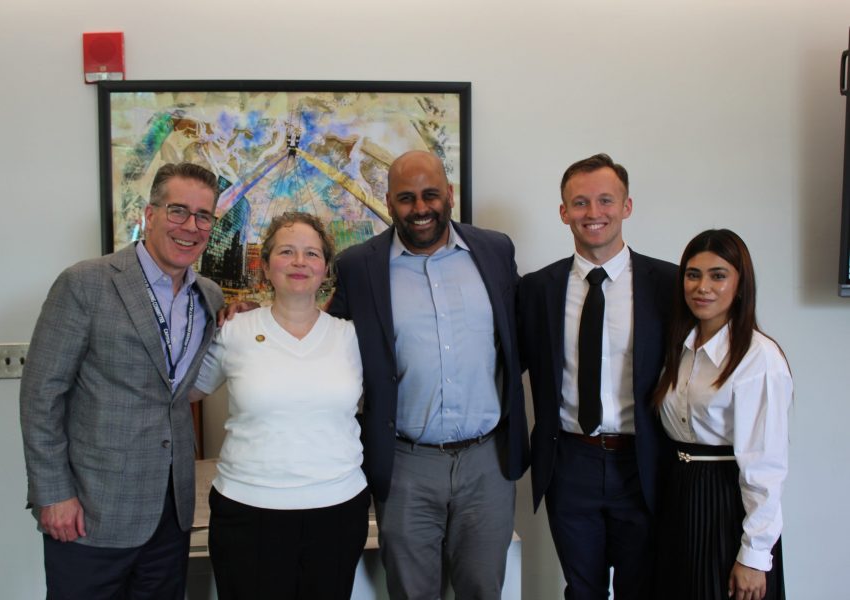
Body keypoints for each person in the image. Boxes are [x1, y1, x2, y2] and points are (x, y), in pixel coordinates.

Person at [328, 150, 529, 599]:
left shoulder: (495, 250)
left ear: (450, 195)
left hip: (487, 463)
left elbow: (520, 341)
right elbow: (325, 344)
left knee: (483, 589)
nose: (420, 208)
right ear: (388, 202)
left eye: (430, 194)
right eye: (406, 198)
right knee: (412, 592)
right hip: (405, 466)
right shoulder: (360, 266)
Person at [19, 162, 224, 599]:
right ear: (149, 215)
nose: (191, 226)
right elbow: (41, 397)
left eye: (203, 216)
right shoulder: (85, 284)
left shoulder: (209, 296)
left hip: (171, 515)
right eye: (178, 211)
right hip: (90, 513)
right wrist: (53, 495)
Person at [518, 153, 677, 599]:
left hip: (642, 462)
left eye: (606, 200)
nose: (594, 213)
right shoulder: (538, 289)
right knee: (582, 590)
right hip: (570, 462)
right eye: (581, 202)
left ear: (626, 206)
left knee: (642, 588)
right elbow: (507, 367)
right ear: (564, 212)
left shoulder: (667, 285)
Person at [190, 212, 369, 600]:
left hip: (336, 511)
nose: (300, 262)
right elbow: (188, 393)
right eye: (287, 251)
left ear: (325, 269)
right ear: (267, 265)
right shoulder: (233, 330)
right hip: (247, 512)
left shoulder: (352, 337)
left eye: (311, 253)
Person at [653, 229, 790, 600]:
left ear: (740, 284)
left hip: (725, 501)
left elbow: (766, 465)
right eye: (693, 274)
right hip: (678, 494)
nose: (702, 287)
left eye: (718, 275)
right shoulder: (679, 347)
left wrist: (754, 555)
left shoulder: (759, 358)